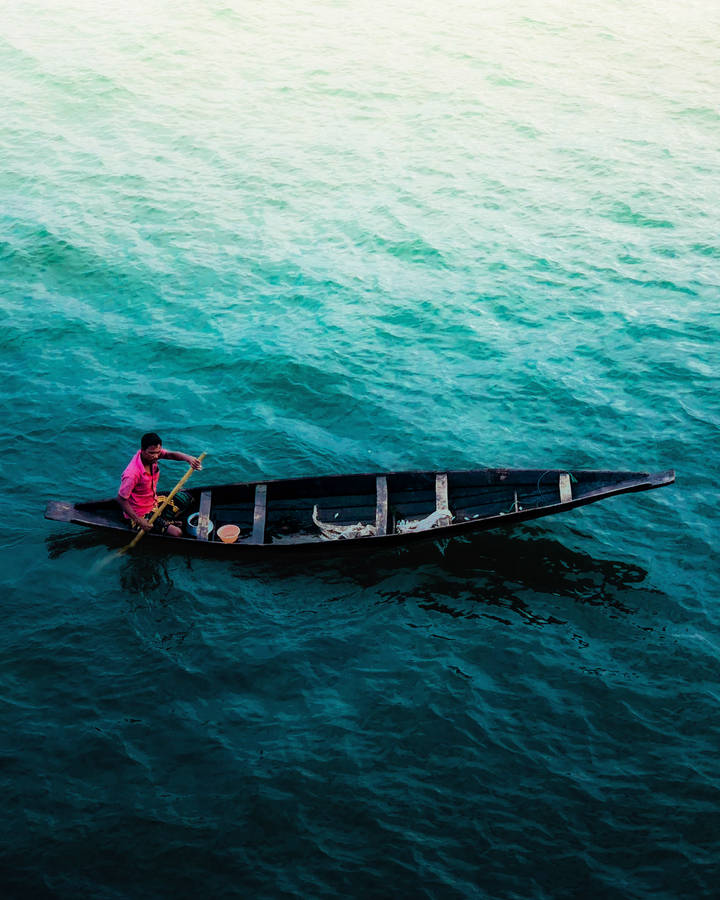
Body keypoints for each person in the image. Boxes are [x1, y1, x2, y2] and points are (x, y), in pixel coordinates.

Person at [117, 432, 203, 537]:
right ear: (142, 450)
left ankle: (164, 521)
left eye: (158, 452)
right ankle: (165, 522)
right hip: (140, 514)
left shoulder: (153, 456)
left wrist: (188, 459)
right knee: (177, 533)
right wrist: (139, 521)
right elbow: (121, 499)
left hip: (154, 502)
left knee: (187, 498)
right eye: (152, 453)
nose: (156, 456)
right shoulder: (132, 474)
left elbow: (169, 454)